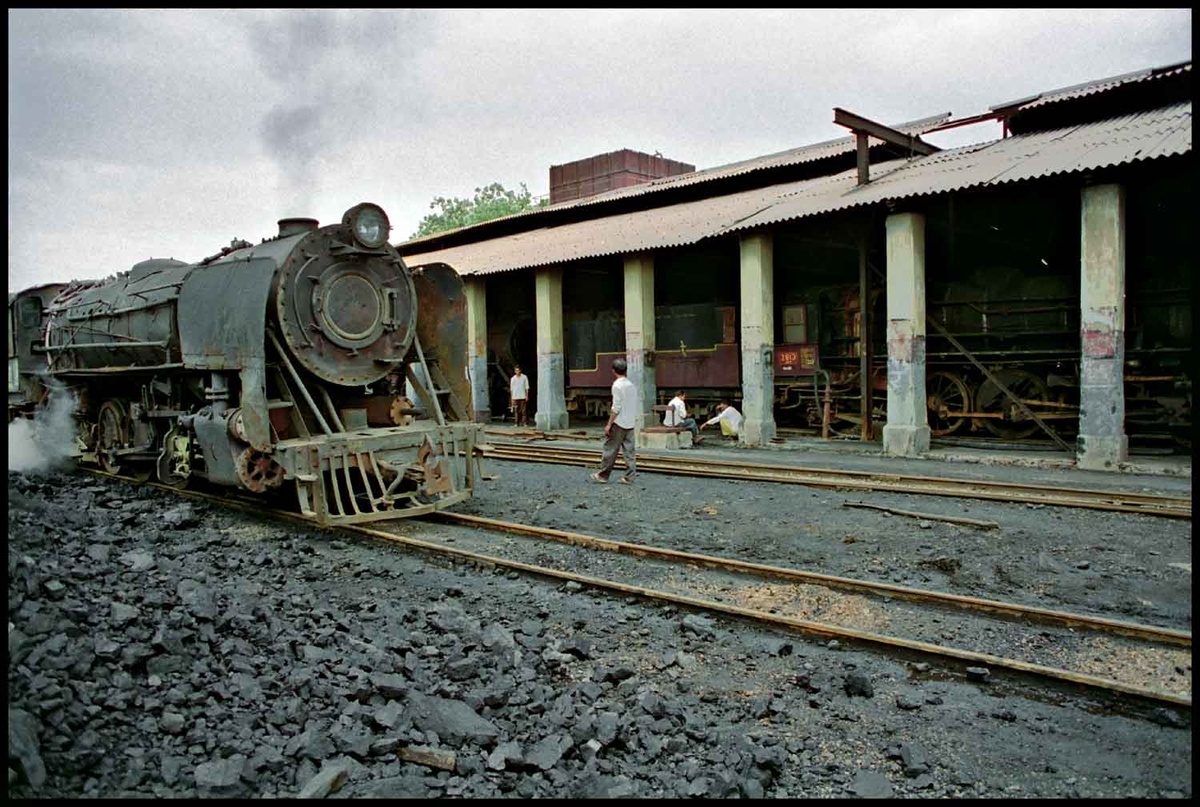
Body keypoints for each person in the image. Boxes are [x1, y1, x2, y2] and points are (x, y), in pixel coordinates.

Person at [591, 357, 638, 484]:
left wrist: (609, 424)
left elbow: (616, 408)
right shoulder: (631, 385)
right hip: (630, 422)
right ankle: (630, 477)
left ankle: (603, 475)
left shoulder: (617, 386)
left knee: (610, 449)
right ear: (626, 370)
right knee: (629, 451)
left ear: (613, 370)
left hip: (619, 422)